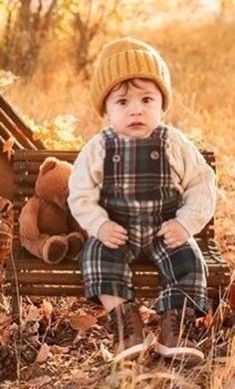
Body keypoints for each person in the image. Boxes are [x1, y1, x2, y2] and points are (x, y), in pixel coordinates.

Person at [68, 37, 216, 363]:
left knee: (190, 263)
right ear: (105, 110)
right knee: (95, 256)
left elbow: (202, 184)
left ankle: (174, 329)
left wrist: (185, 223)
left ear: (162, 104)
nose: (136, 109)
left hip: (166, 229)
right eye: (122, 102)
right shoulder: (99, 147)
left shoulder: (173, 142)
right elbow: (80, 194)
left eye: (147, 99)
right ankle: (124, 323)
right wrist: (100, 224)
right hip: (117, 230)